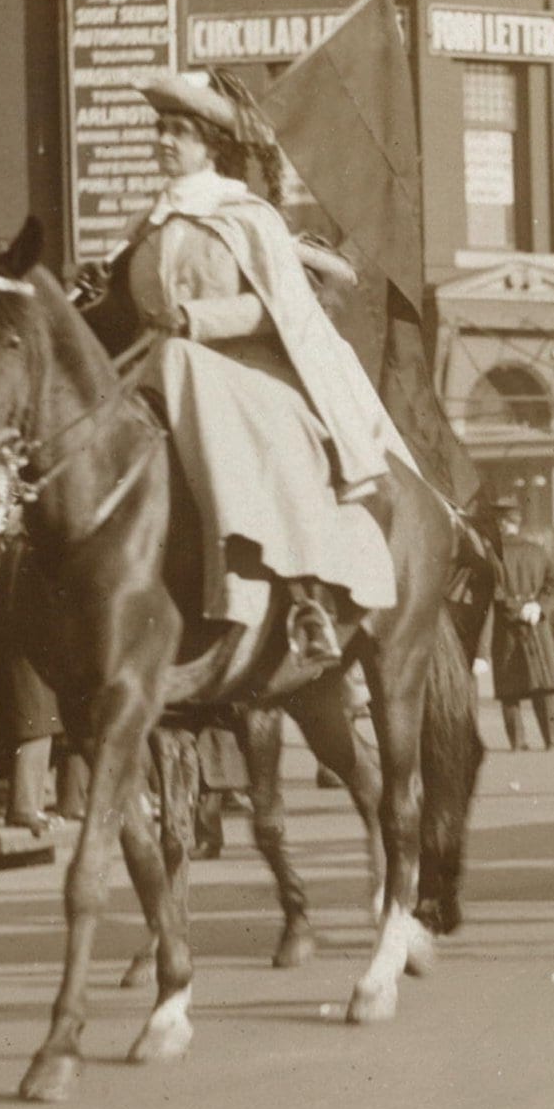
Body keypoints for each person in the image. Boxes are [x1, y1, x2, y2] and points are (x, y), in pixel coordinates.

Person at [110, 70, 404, 666]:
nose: (165, 140)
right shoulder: (149, 226)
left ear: (210, 146)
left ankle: (301, 595)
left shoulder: (246, 216)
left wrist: (196, 318)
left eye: (180, 132)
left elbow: (280, 310)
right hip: (161, 368)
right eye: (161, 129)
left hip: (242, 370)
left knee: (247, 426)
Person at [486, 494, 554, 751]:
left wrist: (515, 608)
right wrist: (539, 607)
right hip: (536, 625)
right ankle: (553, 740)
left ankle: (517, 742)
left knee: (510, 690)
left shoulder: (491, 554)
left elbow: (492, 592)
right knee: (544, 687)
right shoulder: (537, 550)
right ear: (517, 522)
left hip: (506, 628)